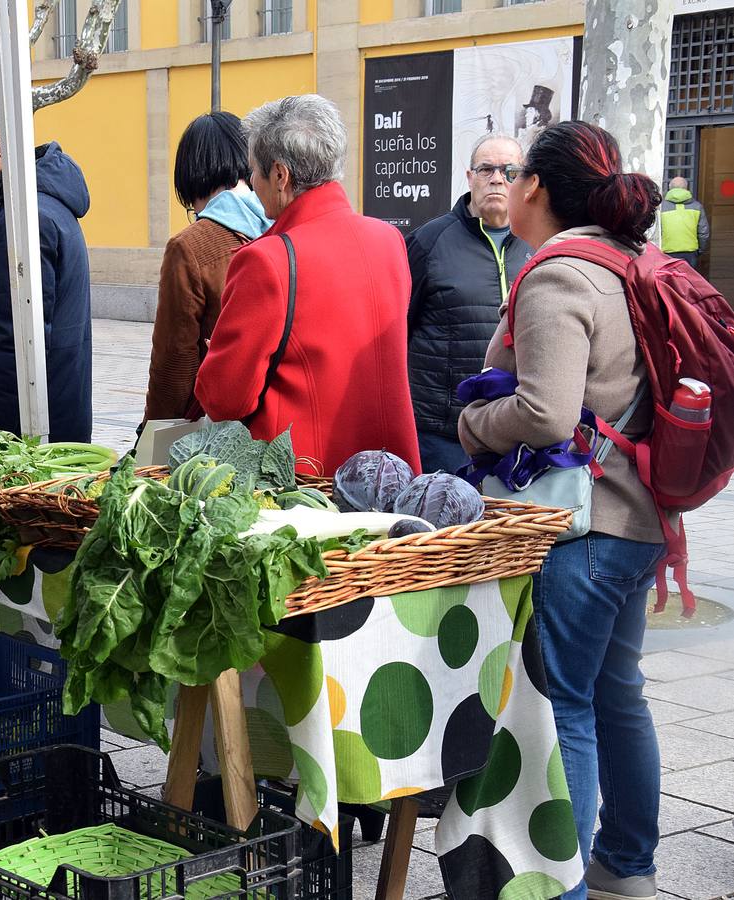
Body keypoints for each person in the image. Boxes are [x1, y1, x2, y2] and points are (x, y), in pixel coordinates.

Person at [458, 121, 666, 900]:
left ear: (535, 188)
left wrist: (471, 423)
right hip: (643, 518)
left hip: (580, 528)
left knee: (566, 707)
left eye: (515, 178)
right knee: (618, 691)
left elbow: (545, 413)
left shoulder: (557, 275)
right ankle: (628, 865)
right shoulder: (631, 262)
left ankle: (565, 886)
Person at [194, 95, 421, 475]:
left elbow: (225, 399)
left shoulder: (267, 260)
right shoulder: (389, 239)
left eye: (254, 171)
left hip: (305, 481)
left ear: (280, 175)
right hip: (388, 470)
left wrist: (216, 351)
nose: (251, 183)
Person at [0, 84, 93, 443]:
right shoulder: (29, 210)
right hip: (45, 421)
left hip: (21, 437)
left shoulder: (25, 221)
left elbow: (16, 349)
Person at [406, 134, 534, 474]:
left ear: (524, 182)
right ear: (469, 177)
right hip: (444, 434)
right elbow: (397, 330)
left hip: (516, 430)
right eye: (486, 169)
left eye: (509, 171)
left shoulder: (539, 244)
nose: (496, 178)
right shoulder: (430, 242)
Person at [143, 111, 271, 422]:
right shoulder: (282, 226)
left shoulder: (189, 247)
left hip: (217, 427)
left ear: (192, 179)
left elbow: (175, 362)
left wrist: (149, 434)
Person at [659, 175, 710, 268]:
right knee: (687, 281)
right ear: (686, 188)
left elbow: (657, 231)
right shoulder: (697, 206)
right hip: (690, 253)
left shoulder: (661, 208)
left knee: (669, 281)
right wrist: (700, 250)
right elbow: (703, 233)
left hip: (667, 252)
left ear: (670, 188)